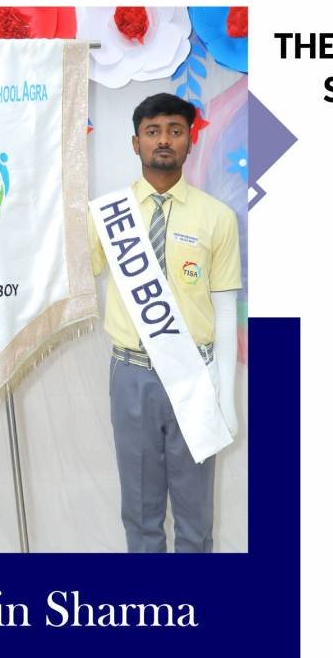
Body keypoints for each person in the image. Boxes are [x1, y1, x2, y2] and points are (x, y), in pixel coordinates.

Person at [88, 93, 242, 553]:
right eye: (153, 131)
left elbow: (226, 307)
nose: (164, 140)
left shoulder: (217, 217)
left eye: (175, 130)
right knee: (140, 513)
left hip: (196, 373)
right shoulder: (107, 216)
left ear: (190, 140)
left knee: (196, 518)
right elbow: (74, 276)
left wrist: (227, 394)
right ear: (135, 142)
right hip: (131, 375)